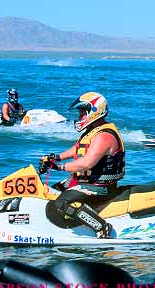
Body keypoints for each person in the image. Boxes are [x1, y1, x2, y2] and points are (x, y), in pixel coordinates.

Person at [38, 92, 125, 238]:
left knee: (63, 203)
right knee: (52, 191)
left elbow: (86, 163)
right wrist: (55, 157)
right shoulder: (92, 130)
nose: (80, 117)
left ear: (95, 111)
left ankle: (102, 228)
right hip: (86, 182)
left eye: (83, 113)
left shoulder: (104, 136)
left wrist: (59, 167)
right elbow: (77, 149)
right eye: (80, 113)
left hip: (99, 187)